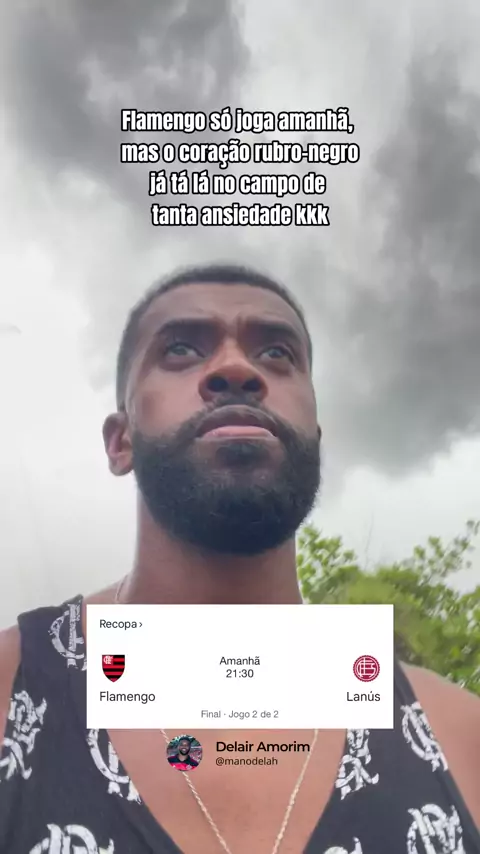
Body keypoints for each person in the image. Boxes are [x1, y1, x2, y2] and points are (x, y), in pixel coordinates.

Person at [0, 262, 478, 854]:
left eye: (277, 354)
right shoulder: (14, 689)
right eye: (180, 349)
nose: (235, 368)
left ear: (315, 439)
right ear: (121, 442)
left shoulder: (461, 740)